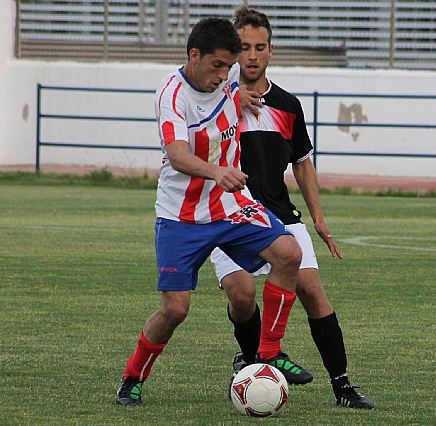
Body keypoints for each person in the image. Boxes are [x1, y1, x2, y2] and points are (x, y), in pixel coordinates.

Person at [115, 16, 308, 406]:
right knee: (175, 309)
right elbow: (177, 154)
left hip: (231, 207)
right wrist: (217, 171)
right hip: (181, 218)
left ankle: (267, 355)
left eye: (229, 67)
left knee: (289, 253)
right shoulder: (171, 95)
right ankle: (133, 376)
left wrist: (238, 96)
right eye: (217, 66)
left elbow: (228, 94)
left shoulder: (227, 82)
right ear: (194, 55)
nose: (223, 75)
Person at [210, 6, 375, 410]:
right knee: (242, 294)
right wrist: (229, 97)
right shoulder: (216, 99)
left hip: (280, 216)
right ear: (233, 50)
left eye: (259, 47)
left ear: (271, 51)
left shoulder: (287, 105)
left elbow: (302, 162)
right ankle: (254, 362)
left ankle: (343, 388)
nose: (251, 55)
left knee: (313, 290)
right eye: (244, 47)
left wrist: (318, 217)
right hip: (229, 215)